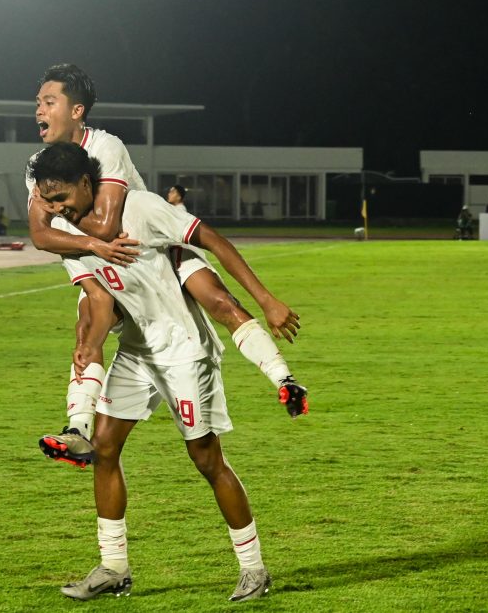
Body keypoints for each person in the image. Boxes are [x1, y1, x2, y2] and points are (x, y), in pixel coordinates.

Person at [30, 142, 305, 602]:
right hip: (137, 352)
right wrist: (90, 346)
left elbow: (211, 240)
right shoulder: (68, 231)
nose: (56, 210)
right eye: (48, 202)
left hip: (183, 351)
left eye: (61, 199)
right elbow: (99, 301)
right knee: (103, 449)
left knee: (206, 460)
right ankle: (114, 566)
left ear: (85, 182)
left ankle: (254, 569)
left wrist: (266, 299)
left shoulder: (140, 209)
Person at [27, 64, 305, 466]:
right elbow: (41, 235)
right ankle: (77, 429)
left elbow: (107, 226)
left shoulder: (104, 147)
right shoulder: (38, 166)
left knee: (219, 302)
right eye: (37, 102)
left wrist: (267, 299)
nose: (38, 110)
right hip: (99, 259)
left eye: (49, 102)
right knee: (87, 328)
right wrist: (86, 242)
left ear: (77, 111)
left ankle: (284, 379)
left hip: (150, 247)